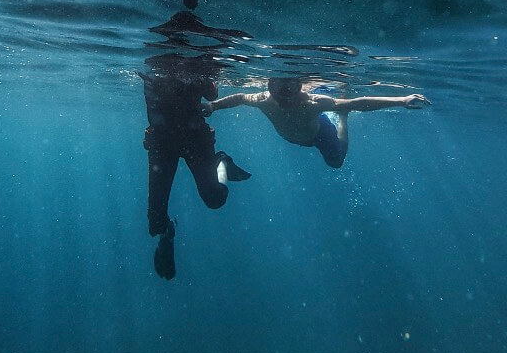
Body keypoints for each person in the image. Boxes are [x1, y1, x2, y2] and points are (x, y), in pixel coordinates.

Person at [141, 53, 250, 280]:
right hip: (161, 144)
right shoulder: (155, 65)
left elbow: (212, 92)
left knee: (215, 198)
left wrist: (202, 75)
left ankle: (221, 162)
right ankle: (167, 232)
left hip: (195, 140)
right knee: (155, 222)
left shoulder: (197, 67)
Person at [203, 77, 430, 168]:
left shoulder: (313, 103)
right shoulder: (263, 99)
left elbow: (355, 102)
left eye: (289, 94)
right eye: (278, 93)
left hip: (320, 135)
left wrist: (401, 100)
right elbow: (240, 97)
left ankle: (342, 121)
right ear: (271, 89)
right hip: (293, 138)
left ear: (299, 90)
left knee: (336, 162)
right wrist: (213, 106)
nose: (283, 100)